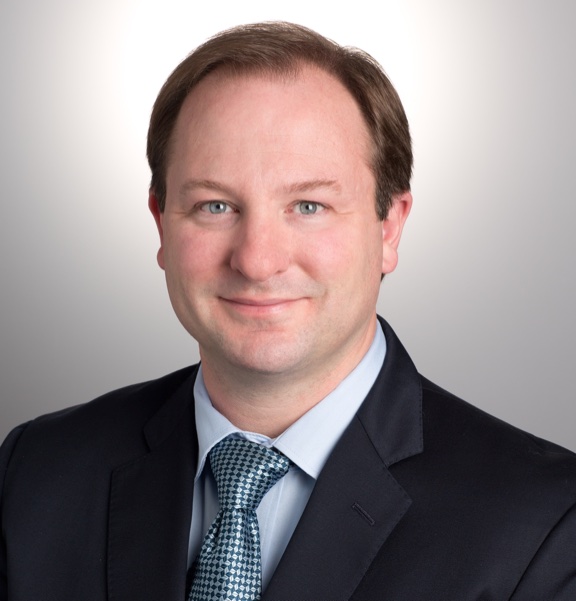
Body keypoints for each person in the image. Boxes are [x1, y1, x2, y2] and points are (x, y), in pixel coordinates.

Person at [1, 21, 575, 601]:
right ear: (161, 224)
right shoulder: (34, 473)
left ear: (389, 227)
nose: (257, 260)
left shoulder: (546, 523)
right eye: (215, 206)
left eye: (308, 205)